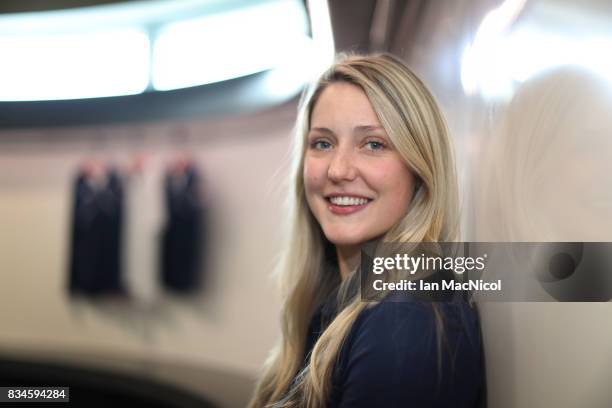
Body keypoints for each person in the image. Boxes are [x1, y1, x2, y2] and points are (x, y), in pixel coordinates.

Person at [249, 53, 485, 408]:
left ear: (419, 171)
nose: (338, 170)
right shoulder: (343, 297)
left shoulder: (404, 319)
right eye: (323, 143)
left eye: (373, 144)